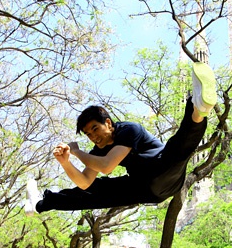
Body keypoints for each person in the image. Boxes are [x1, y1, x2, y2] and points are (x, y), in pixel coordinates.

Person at [25, 62, 217, 215]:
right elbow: (84, 182)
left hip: (164, 171)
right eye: (88, 134)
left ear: (108, 123)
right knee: (91, 192)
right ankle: (39, 204)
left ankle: (197, 107)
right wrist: (66, 162)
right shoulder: (98, 152)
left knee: (177, 148)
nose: (94, 137)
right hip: (144, 188)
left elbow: (107, 166)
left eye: (95, 129)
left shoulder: (128, 130)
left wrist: (76, 151)